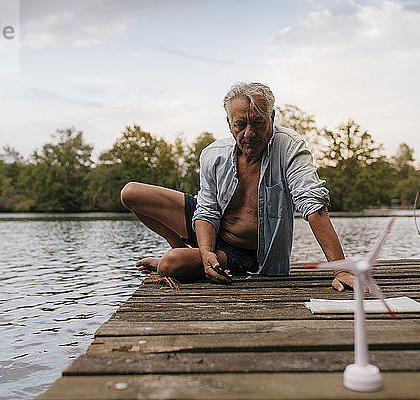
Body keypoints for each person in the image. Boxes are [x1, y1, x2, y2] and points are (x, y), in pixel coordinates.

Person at [120, 82, 355, 291]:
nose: (249, 133)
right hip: (210, 228)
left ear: (272, 117)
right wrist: (205, 252)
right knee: (131, 193)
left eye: (259, 122)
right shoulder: (213, 154)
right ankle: (188, 252)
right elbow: (207, 209)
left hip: (244, 254)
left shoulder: (290, 147)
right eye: (240, 125)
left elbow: (313, 205)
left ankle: (182, 258)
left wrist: (340, 270)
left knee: (170, 264)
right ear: (229, 123)